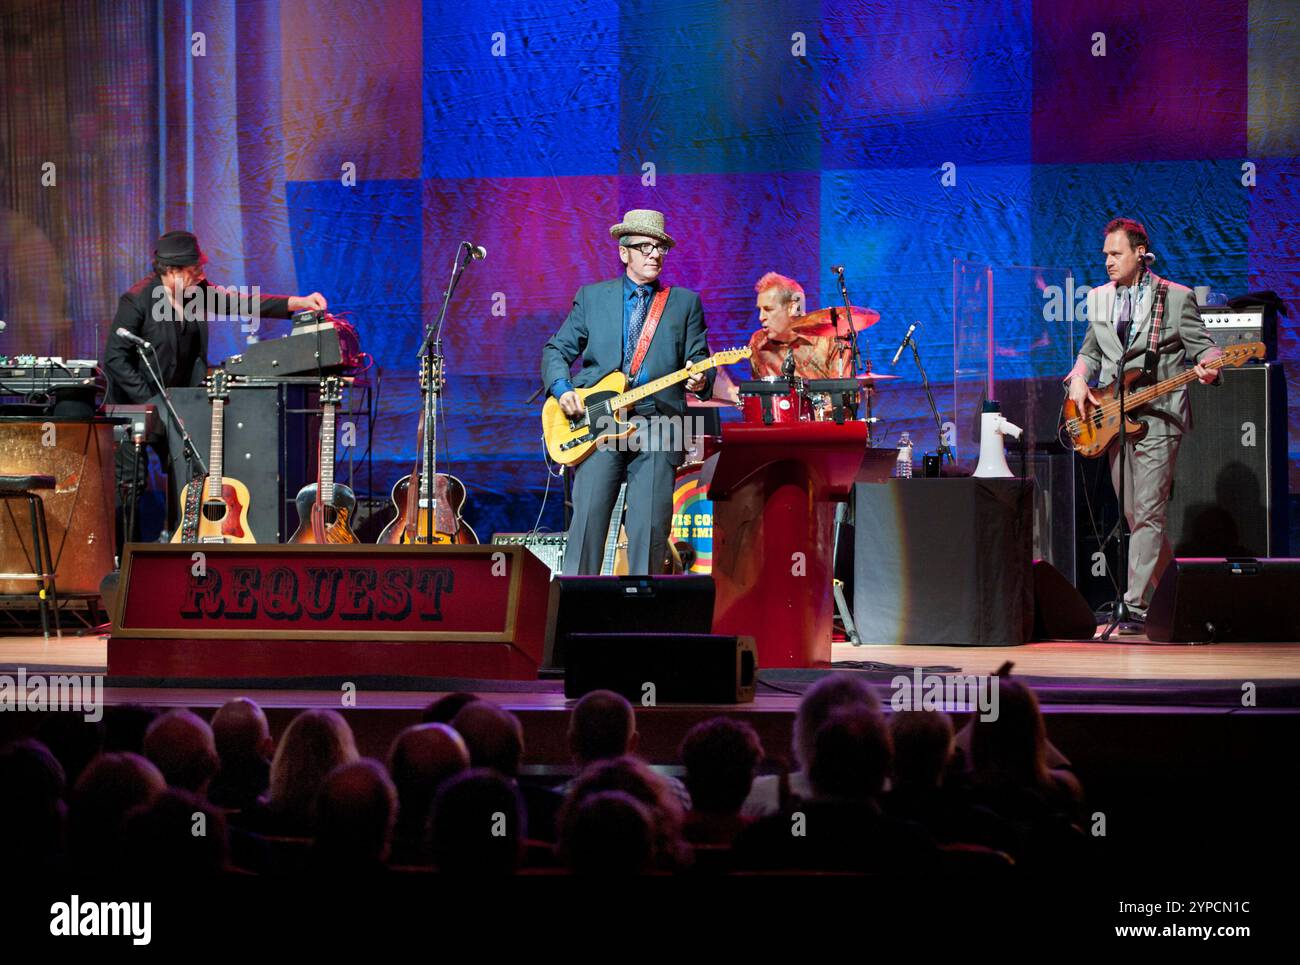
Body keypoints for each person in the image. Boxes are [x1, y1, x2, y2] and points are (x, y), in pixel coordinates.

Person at [104, 230, 327, 541]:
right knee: (131, 482)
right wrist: (152, 400)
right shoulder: (138, 300)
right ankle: (125, 555)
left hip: (180, 404)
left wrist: (297, 303)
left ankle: (181, 541)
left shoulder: (194, 292)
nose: (201, 275)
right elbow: (115, 359)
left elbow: (238, 302)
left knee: (188, 476)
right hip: (138, 405)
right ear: (172, 272)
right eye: (195, 271)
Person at [1065, 218, 1222, 626]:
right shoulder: (1099, 298)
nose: (1108, 262)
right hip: (1117, 419)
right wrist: (1080, 379)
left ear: (1140, 253)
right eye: (1105, 255)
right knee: (1134, 515)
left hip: (1160, 415)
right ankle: (1182, 593)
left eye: (1116, 254)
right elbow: (1091, 350)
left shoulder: (1175, 298)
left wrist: (1209, 367)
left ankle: (1134, 605)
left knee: (1148, 512)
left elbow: (1203, 349)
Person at [541, 209, 714, 575]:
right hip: (600, 419)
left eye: (660, 248)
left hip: (660, 422)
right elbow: (556, 350)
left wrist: (701, 379)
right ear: (624, 253)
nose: (655, 254)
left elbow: (699, 359)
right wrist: (562, 388)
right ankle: (575, 614)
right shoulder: (592, 298)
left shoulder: (684, 303)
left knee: (650, 530)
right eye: (646, 247)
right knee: (587, 526)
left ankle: (642, 616)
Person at [746, 272, 852, 381]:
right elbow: (757, 393)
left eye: (768, 309)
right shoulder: (758, 341)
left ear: (793, 308)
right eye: (760, 310)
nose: (761, 317)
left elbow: (841, 394)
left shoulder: (832, 339)